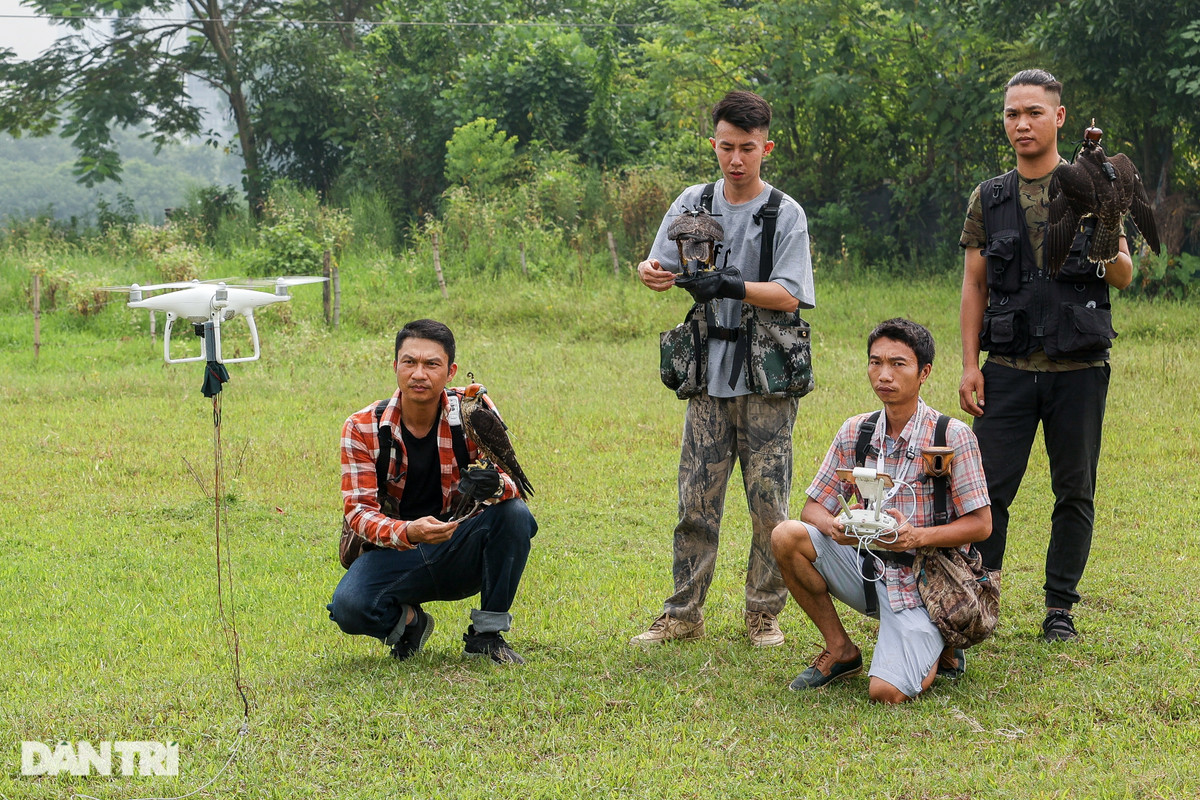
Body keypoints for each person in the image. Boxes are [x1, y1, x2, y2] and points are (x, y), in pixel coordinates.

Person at [631, 90, 815, 647]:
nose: (736, 160)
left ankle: (763, 613)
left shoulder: (784, 213)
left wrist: (731, 285)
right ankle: (682, 614)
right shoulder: (693, 201)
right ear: (713, 144)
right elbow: (658, 261)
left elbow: (791, 294)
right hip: (707, 375)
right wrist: (652, 272)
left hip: (767, 377)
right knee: (696, 501)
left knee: (768, 504)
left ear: (767, 148)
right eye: (727, 147)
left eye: (748, 149)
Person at [958, 69, 1133, 643]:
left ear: (1058, 118)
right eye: (1012, 113)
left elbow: (1126, 275)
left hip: (1078, 368)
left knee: (1074, 490)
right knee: (986, 491)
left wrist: (1104, 231)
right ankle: (980, 595)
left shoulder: (1094, 184)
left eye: (1034, 112)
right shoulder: (991, 196)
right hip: (1006, 368)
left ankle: (1060, 607)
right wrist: (967, 366)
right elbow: (975, 286)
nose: (1021, 123)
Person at [771, 319, 991, 703]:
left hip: (926, 584)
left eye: (898, 364)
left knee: (885, 693)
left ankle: (941, 643)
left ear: (924, 373)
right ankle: (841, 650)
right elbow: (812, 509)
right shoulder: (856, 430)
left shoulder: (951, 436)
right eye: (875, 363)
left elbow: (982, 524)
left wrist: (918, 536)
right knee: (785, 536)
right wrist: (834, 526)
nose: (883, 375)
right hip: (867, 568)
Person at [327, 319, 537, 664]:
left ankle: (487, 635)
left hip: (460, 546)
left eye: (431, 364)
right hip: (395, 551)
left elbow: (513, 479)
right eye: (409, 362)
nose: (419, 374)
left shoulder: (475, 411)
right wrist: (409, 531)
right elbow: (358, 513)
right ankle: (411, 623)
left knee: (514, 514)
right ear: (395, 366)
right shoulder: (361, 427)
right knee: (349, 607)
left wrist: (495, 485)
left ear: (451, 371)